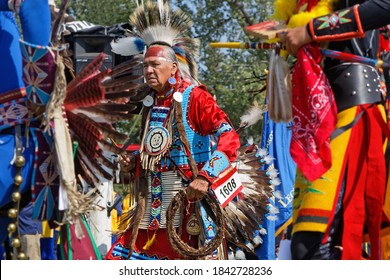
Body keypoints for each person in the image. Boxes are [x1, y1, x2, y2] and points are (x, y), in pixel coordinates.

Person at [106, 1, 240, 260]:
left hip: (187, 209)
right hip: (150, 211)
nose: (148, 70)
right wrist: (133, 163)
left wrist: (206, 177)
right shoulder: (150, 103)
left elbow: (229, 136)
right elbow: (159, 154)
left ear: (173, 68)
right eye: (145, 65)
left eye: (155, 64)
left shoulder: (195, 98)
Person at [276, 0, 390, 259]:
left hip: (354, 111)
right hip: (318, 120)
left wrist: (311, 30)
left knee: (310, 240)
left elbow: (384, 6)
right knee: (300, 240)